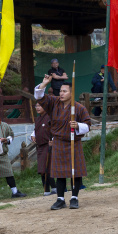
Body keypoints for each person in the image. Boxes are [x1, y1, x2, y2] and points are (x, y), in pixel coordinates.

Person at [35, 75, 91, 210]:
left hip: (73, 143)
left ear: (71, 93)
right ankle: (60, 199)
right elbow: (39, 97)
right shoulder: (53, 103)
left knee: (75, 172)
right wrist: (44, 84)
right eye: (60, 91)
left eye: (64, 91)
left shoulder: (79, 108)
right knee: (59, 173)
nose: (61, 93)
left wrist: (77, 125)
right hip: (58, 142)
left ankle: (74, 198)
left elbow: (88, 125)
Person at [0, 112, 27, 199]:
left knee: (9, 173)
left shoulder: (4, 126)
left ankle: (15, 192)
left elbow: (11, 136)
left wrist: (6, 140)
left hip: (2, 154)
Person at [30, 103, 57, 196]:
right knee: (42, 169)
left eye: (40, 106)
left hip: (47, 145)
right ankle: (47, 190)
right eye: (36, 106)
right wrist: (32, 136)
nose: (37, 108)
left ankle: (53, 188)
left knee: (46, 168)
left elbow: (55, 130)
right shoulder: (38, 119)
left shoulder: (50, 117)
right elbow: (35, 130)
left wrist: (53, 140)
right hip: (40, 146)